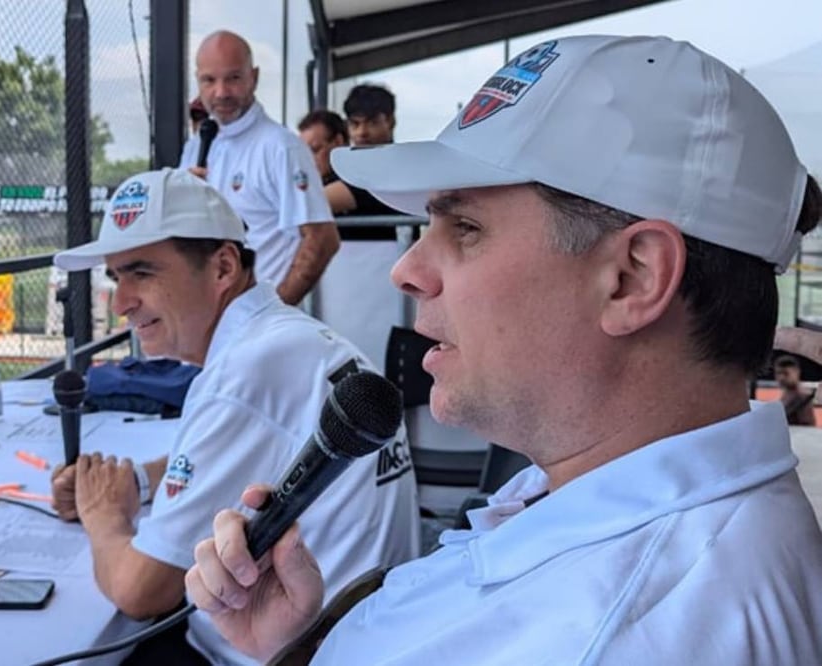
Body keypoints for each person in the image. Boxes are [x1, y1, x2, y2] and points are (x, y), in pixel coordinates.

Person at [186, 35, 822, 665]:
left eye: (464, 227)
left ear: (634, 277)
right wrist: (291, 646)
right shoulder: (593, 490)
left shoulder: (608, 634)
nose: (406, 270)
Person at [50, 168, 419, 664]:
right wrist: (130, 482)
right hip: (359, 638)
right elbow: (245, 459)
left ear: (223, 266)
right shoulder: (281, 338)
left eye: (142, 272)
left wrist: (104, 518)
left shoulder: (243, 374)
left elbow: (140, 593)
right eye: (116, 277)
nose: (121, 303)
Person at [180, 30, 340, 306]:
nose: (221, 92)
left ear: (253, 77)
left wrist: (273, 312)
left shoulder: (281, 146)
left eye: (233, 78)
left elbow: (322, 239)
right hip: (206, 322)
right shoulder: (196, 147)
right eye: (209, 80)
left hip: (258, 324)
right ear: (198, 81)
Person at [320, 84, 399, 217]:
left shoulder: (393, 169)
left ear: (390, 122)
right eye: (355, 124)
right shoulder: (348, 169)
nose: (362, 132)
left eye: (372, 122)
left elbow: (310, 203)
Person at [297, 109, 348, 185]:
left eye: (315, 150)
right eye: (304, 152)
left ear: (338, 142)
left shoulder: (353, 181)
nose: (309, 159)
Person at [775, 355, 817, 426]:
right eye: (779, 373)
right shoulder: (787, 394)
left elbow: (807, 425)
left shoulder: (802, 397)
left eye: (786, 373)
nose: (781, 377)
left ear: (796, 372)